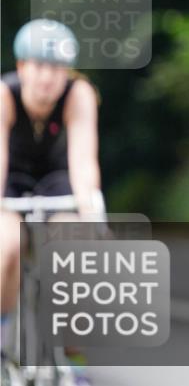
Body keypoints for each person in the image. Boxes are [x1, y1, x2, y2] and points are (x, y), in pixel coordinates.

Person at [0, 19, 102, 382]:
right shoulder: (4, 95)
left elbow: (83, 161)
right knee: (6, 246)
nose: (48, 77)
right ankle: (3, 327)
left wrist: (90, 210)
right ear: (22, 66)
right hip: (11, 185)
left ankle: (73, 354)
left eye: (57, 68)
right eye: (40, 66)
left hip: (59, 184)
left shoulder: (79, 94)